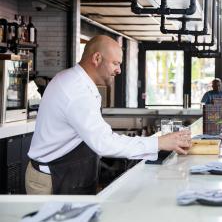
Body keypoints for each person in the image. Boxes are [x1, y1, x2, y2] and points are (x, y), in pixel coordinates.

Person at [26, 35, 191, 195]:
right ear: (97, 58)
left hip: (66, 172)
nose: (119, 70)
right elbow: (104, 143)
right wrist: (158, 143)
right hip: (52, 180)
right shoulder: (76, 90)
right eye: (115, 63)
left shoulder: (78, 82)